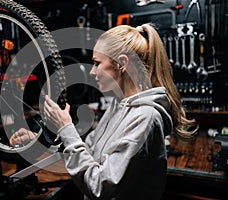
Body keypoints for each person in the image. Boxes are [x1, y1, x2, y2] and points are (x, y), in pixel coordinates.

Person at [10, 23, 198, 200]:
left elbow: (99, 186)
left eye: (97, 63)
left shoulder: (145, 118)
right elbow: (88, 155)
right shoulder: (119, 105)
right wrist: (41, 141)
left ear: (121, 64)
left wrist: (66, 128)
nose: (92, 72)